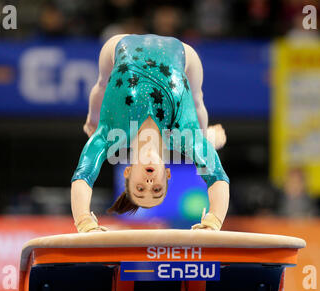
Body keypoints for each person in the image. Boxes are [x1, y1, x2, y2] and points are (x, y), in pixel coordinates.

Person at [71, 34, 229, 233]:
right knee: (197, 102)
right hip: (183, 53)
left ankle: (207, 139)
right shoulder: (183, 136)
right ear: (167, 175)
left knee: (103, 83)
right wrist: (213, 222)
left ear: (127, 173)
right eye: (157, 190)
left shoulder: (110, 135)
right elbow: (218, 177)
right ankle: (206, 138)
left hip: (119, 45)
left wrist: (84, 222)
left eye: (139, 188)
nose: (149, 184)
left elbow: (82, 175)